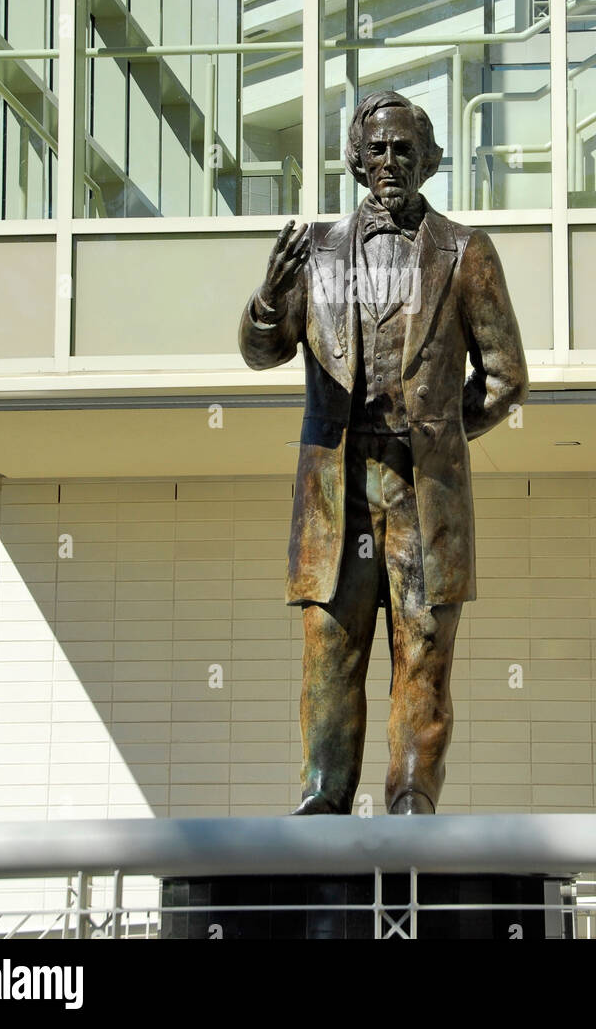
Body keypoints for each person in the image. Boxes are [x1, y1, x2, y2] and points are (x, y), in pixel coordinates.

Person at [239, 89, 528, 814]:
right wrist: (270, 298)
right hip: (336, 487)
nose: (390, 161)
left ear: (430, 161)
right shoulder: (315, 255)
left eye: (405, 149)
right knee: (330, 650)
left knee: (422, 650)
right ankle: (322, 797)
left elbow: (505, 375)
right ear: (356, 160)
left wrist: (437, 433)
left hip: (422, 490)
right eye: (378, 149)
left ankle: (410, 800)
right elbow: (261, 352)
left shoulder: (466, 252)